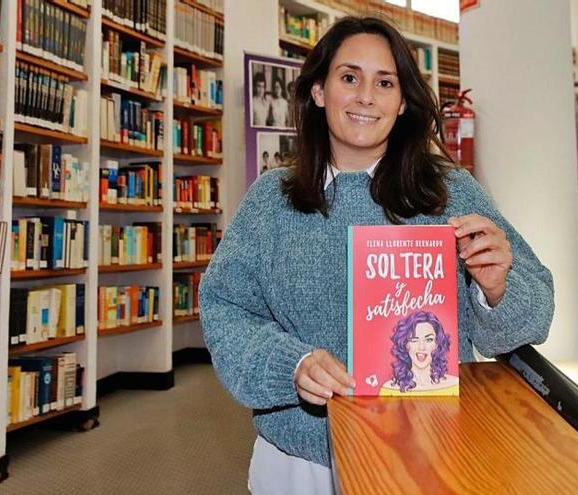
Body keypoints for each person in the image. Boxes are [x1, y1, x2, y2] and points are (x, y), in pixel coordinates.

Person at [200, 16, 554, 495]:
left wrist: (497, 288)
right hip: (299, 463)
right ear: (320, 92)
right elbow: (224, 307)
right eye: (350, 78)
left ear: (402, 101)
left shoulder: (451, 193)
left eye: (384, 82)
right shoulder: (271, 201)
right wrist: (292, 364)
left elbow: (532, 320)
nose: (366, 96)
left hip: (433, 452)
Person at [380, 310, 459, 396]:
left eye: (429, 339)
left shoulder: (453, 386)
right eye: (414, 340)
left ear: (437, 344)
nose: (421, 347)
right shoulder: (389, 390)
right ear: (405, 344)